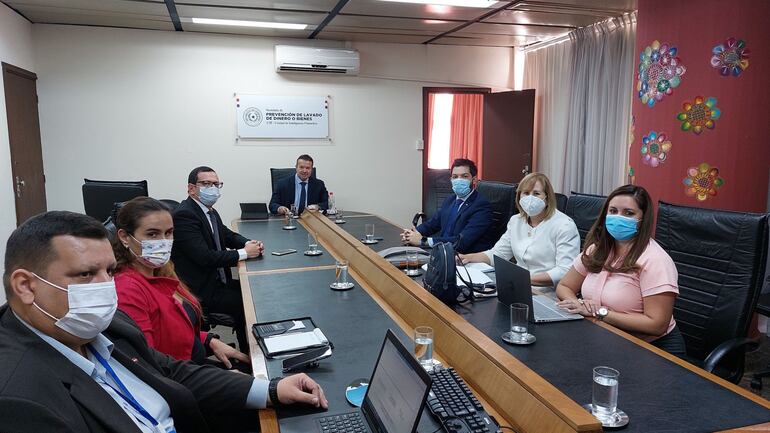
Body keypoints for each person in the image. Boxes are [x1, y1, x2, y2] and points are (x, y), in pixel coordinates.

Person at [0, 211, 327, 433]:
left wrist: (270, 389)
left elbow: (171, 371)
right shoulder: (18, 400)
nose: (106, 287)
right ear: (25, 286)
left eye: (109, 271)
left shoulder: (105, 325)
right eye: (86, 274)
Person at [114, 197, 250, 370]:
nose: (163, 241)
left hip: (191, 362)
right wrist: (222, 379)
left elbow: (172, 329)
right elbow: (149, 363)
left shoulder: (163, 271)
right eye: (152, 234)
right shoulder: (127, 290)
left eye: (168, 233)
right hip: (180, 375)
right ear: (125, 237)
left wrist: (207, 340)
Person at [555, 185, 686, 355]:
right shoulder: (597, 249)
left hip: (653, 349)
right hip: (606, 337)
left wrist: (599, 312)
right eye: (613, 211)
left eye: (628, 213)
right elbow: (564, 286)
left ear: (643, 219)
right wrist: (577, 304)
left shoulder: (656, 260)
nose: (618, 217)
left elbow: (657, 324)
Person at [171, 166, 264, 351]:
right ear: (191, 188)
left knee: (256, 291)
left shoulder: (208, 210)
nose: (213, 188)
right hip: (201, 290)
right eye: (206, 184)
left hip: (218, 282)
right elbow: (205, 258)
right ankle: (250, 354)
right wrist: (245, 253)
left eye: (216, 184)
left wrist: (249, 243)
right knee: (249, 304)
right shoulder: (184, 215)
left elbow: (226, 235)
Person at [459, 172, 579, 287]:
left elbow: (564, 270)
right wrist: (468, 258)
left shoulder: (564, 225)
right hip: (516, 285)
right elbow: (498, 254)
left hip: (547, 292)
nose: (530, 198)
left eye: (536, 193)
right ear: (519, 196)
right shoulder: (516, 220)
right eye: (526, 193)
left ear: (547, 198)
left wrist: (524, 279)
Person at [401, 158, 494, 254]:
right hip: (443, 252)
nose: (459, 180)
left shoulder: (481, 206)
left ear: (474, 180)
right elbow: (433, 224)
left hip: (466, 257)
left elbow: (461, 242)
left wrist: (423, 241)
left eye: (464, 176)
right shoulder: (450, 200)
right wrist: (412, 234)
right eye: (455, 177)